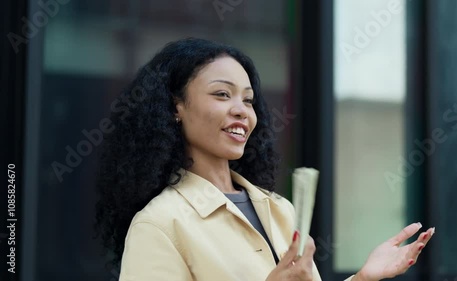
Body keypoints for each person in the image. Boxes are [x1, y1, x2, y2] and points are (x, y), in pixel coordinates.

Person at [95, 37, 435, 281]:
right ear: (174, 108)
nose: (242, 111)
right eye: (222, 94)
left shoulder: (279, 209)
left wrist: (364, 277)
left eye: (248, 100)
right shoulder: (160, 224)